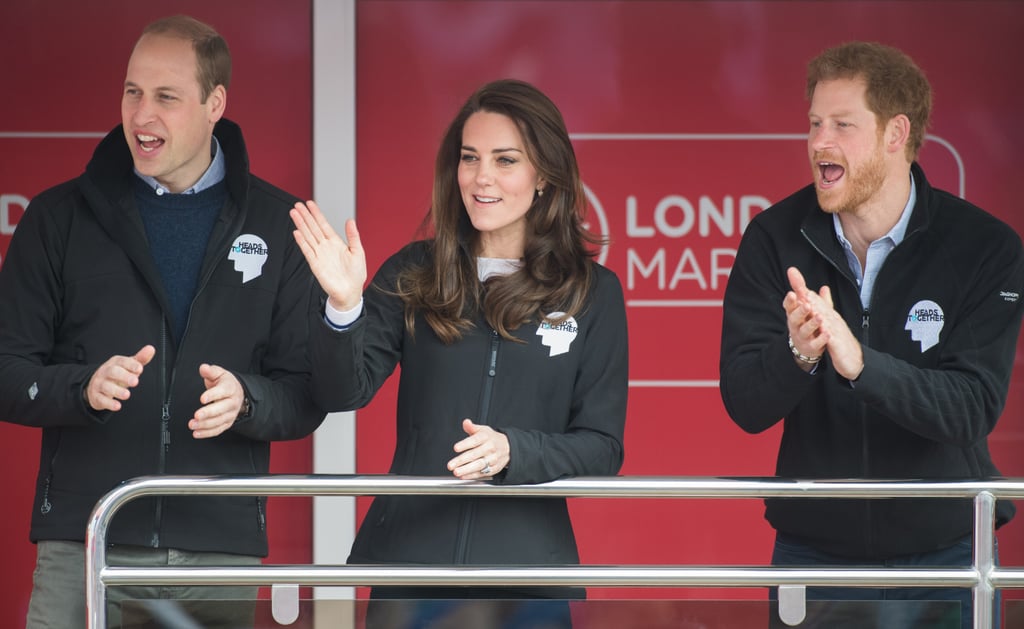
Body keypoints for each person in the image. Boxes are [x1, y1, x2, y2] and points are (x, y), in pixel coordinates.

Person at [0, 15, 325, 628]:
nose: (141, 114)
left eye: (166, 97)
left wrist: (247, 400)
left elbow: (307, 395)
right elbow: (7, 368)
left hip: (217, 553)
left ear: (214, 104)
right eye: (132, 92)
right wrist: (82, 389)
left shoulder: (280, 225)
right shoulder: (55, 218)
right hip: (85, 542)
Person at [290, 78, 628, 625]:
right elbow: (340, 391)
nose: (481, 177)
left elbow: (601, 447)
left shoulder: (592, 291)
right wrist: (344, 306)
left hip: (528, 579)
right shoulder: (414, 270)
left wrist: (514, 452)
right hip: (411, 569)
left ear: (544, 175)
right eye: (469, 158)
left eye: (505, 159)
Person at [719, 41, 1024, 629]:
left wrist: (861, 364)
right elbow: (745, 404)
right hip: (814, 555)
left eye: (841, 125)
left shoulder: (985, 246)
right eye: (813, 124)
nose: (818, 143)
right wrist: (799, 356)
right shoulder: (773, 236)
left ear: (895, 133)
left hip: (946, 557)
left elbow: (971, 410)